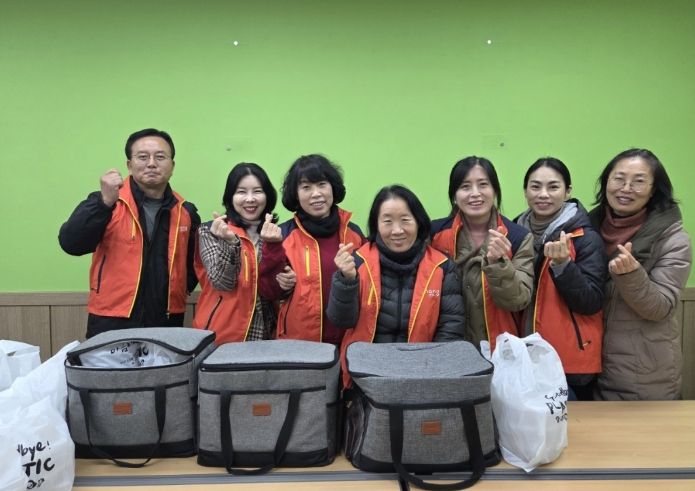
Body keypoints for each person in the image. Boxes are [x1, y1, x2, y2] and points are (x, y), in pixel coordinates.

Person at [59, 128, 200, 338]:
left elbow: (193, 264)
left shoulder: (185, 211)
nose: (151, 163)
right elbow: (71, 243)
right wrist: (103, 203)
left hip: (166, 320)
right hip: (111, 318)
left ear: (172, 165)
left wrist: (178, 289)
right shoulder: (108, 202)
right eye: (143, 157)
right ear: (129, 165)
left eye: (160, 157)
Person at [327, 185, 466, 387]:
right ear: (376, 225)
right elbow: (340, 320)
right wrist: (346, 280)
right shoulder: (358, 262)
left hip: (422, 375)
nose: (397, 230)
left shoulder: (442, 266)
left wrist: (427, 373)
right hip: (365, 375)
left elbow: (451, 327)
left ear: (418, 222)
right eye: (387, 221)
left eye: (405, 220)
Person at [590, 148, 692, 400]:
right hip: (587, 365)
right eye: (619, 178)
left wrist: (631, 276)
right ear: (606, 182)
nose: (626, 188)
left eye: (638, 181)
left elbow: (660, 307)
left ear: (654, 190)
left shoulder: (673, 239)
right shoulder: (586, 229)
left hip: (641, 373)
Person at [515, 157, 606, 400]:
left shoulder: (585, 237)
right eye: (535, 186)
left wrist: (564, 266)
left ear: (567, 192)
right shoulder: (514, 232)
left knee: (574, 423)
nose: (543, 194)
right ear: (525, 191)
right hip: (524, 355)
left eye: (553, 187)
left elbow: (591, 302)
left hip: (569, 360)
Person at [258, 154, 365, 344]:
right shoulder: (282, 235)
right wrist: (282, 280)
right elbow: (269, 291)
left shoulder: (354, 233)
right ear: (296, 195)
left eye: (322, 184)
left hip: (349, 340)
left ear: (333, 187)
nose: (316, 194)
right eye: (306, 187)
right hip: (300, 344)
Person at [431, 156, 533, 351]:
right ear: (454, 195)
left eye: (483, 185)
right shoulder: (434, 234)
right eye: (465, 186)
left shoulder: (518, 237)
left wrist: (499, 264)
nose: (475, 193)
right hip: (446, 346)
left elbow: (518, 301)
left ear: (495, 190)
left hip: (500, 348)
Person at [193, 163, 280, 343]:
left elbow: (275, 289)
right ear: (230, 197)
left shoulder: (273, 234)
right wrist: (230, 243)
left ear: (267, 196)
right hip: (220, 334)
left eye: (257, 191)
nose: (250, 199)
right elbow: (222, 282)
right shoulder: (210, 231)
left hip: (265, 334)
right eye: (241, 192)